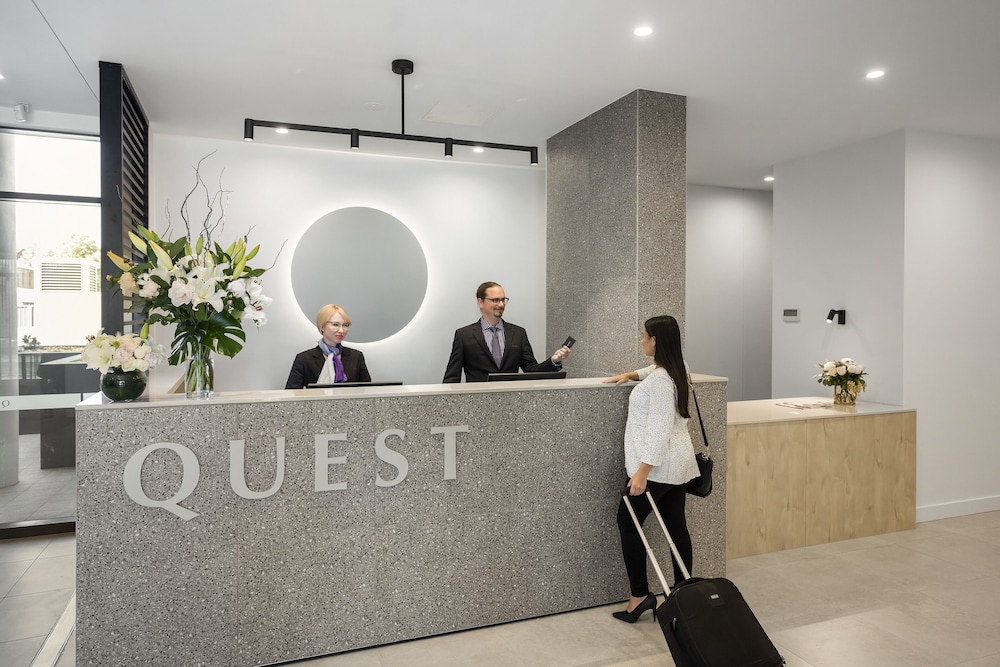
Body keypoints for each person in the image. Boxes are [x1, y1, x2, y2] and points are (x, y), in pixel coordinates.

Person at [602, 314, 699, 623]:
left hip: (656, 467)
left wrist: (641, 473)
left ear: (655, 341)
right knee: (676, 526)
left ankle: (639, 596)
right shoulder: (678, 369)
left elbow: (658, 430)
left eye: (644, 336)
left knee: (627, 520)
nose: (641, 340)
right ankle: (683, 596)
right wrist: (631, 374)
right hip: (678, 465)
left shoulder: (659, 382)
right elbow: (652, 372)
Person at [443, 281, 571, 382]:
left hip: (512, 402)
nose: (501, 304)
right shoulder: (464, 335)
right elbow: (452, 378)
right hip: (477, 402)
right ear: (480, 302)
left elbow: (531, 370)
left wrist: (554, 360)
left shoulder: (518, 333)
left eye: (503, 300)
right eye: (495, 300)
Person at [285, 304, 371, 388]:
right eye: (335, 325)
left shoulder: (356, 357)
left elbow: (368, 391)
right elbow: (291, 393)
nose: (341, 330)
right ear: (322, 327)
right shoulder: (304, 359)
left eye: (345, 325)